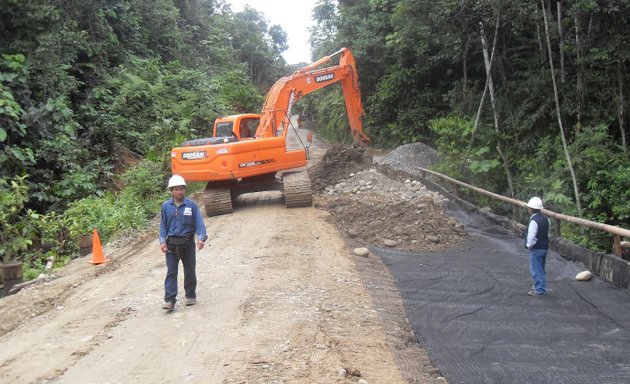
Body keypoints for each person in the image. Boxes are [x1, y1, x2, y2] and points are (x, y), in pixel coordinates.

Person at [159, 175, 207, 311]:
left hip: (187, 243)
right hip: (171, 244)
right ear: (171, 191)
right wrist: (162, 241)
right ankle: (169, 300)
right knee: (171, 271)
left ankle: (190, 295)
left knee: (190, 269)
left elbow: (199, 223)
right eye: (176, 189)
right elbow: (163, 225)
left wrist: (201, 238)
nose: (179, 192)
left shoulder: (191, 205)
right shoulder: (166, 206)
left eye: (181, 189)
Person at [524, 196, 550, 297]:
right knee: (541, 268)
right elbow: (547, 234)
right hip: (544, 247)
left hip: (536, 248)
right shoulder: (546, 219)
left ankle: (539, 289)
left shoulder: (534, 221)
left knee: (536, 270)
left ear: (530, 209)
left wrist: (528, 245)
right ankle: (538, 286)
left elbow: (531, 237)